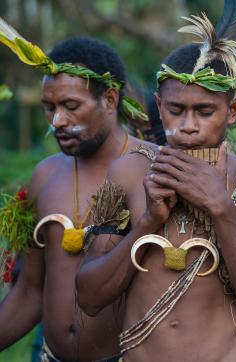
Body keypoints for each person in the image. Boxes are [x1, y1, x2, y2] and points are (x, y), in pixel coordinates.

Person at [75, 1, 236, 361]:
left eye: (204, 111)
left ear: (232, 111)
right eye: (175, 111)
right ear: (159, 104)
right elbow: (89, 297)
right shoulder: (128, 172)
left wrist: (221, 209)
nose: (188, 126)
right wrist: (149, 221)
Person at [0, 19, 149, 362]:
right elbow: (30, 291)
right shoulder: (46, 175)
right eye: (49, 107)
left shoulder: (151, 167)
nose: (57, 122)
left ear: (109, 100)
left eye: (71, 106)